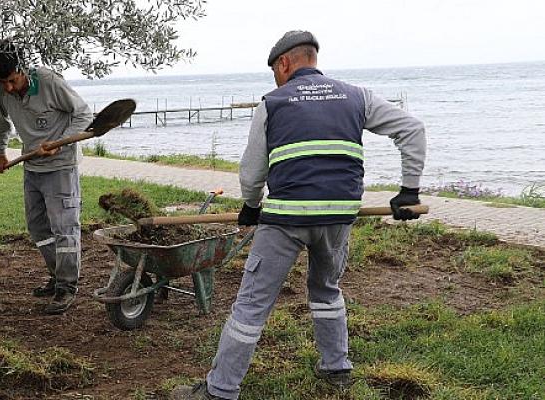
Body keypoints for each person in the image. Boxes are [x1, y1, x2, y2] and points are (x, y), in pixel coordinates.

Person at [170, 30, 426, 399]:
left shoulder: (273, 103)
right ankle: (336, 367)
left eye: (275, 70)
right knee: (326, 289)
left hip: (286, 220)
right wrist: (409, 190)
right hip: (338, 216)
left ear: (285, 63)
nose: (276, 78)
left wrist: (251, 206)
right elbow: (411, 128)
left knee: (252, 305)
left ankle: (220, 390)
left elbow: (252, 170)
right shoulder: (358, 96)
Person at [0, 44, 93, 315]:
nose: (8, 87)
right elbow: (3, 120)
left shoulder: (49, 82)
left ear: (23, 69)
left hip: (61, 168)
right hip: (32, 168)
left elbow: (84, 114)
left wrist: (60, 142)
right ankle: (57, 276)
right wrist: (0, 151)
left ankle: (67, 287)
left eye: (12, 80)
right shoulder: (3, 90)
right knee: (38, 227)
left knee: (64, 228)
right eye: (3, 82)